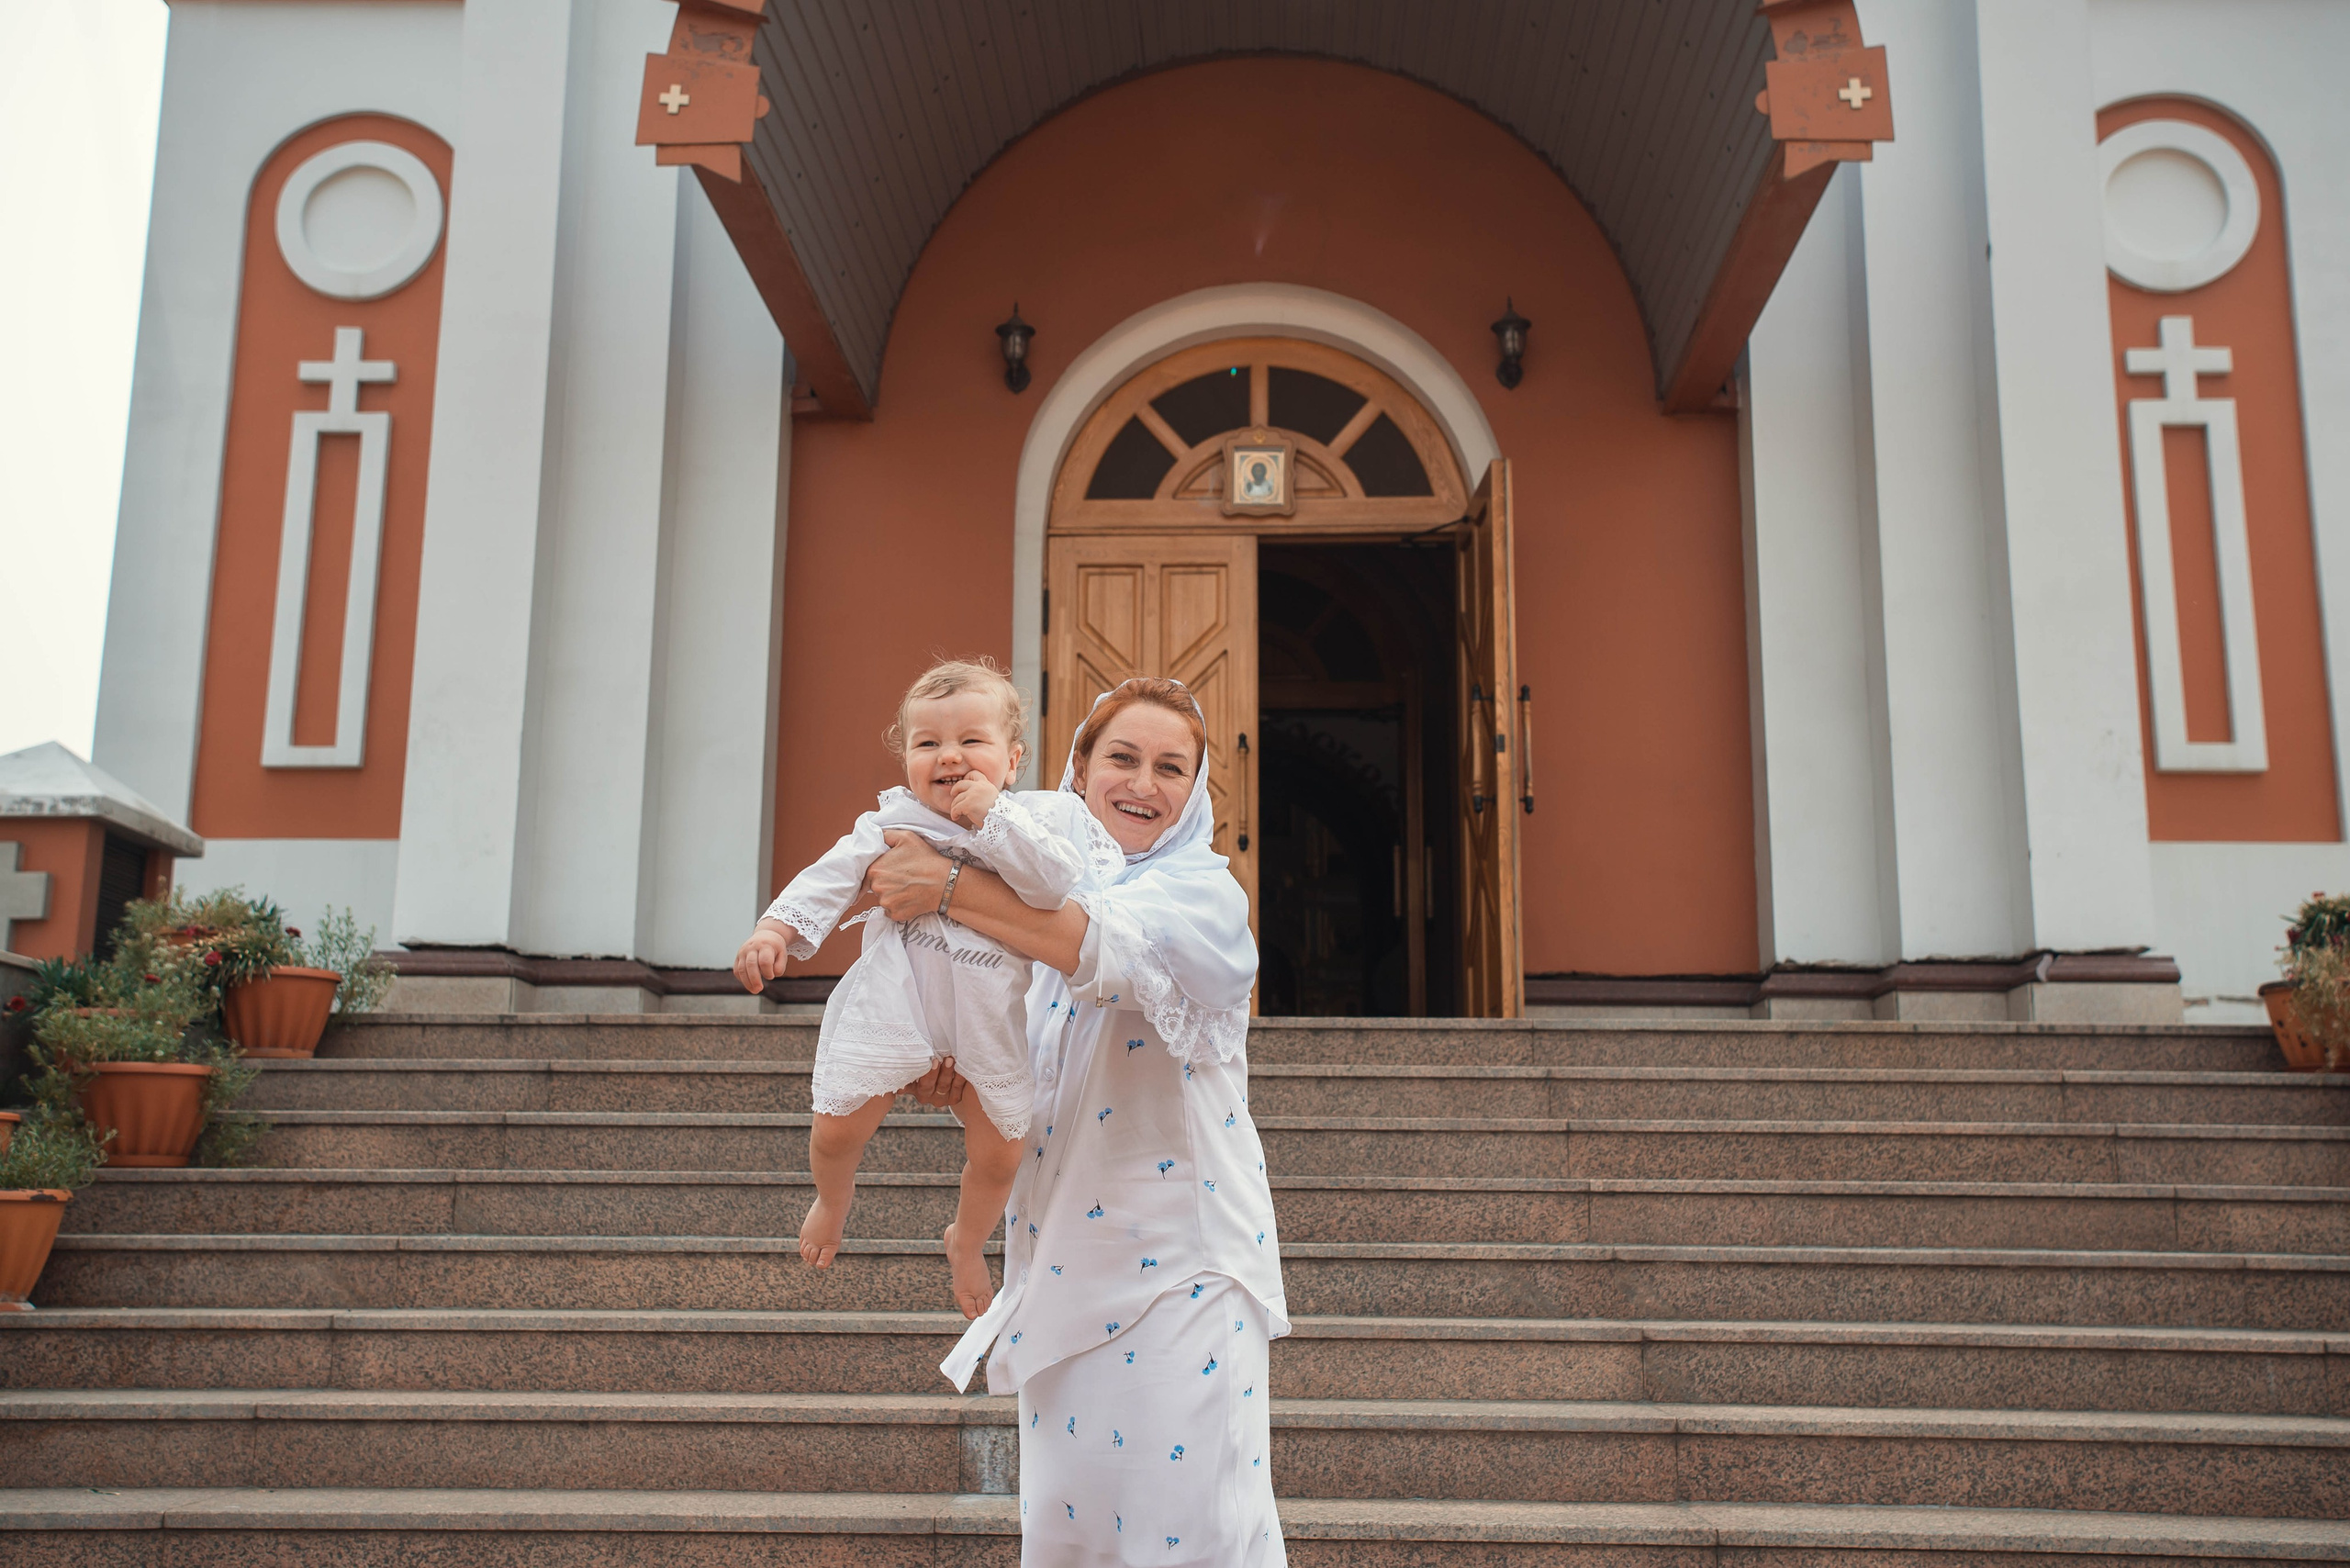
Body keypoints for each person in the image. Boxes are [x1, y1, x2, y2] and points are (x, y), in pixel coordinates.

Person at [865, 677, 1287, 1567]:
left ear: (1196, 789)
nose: (1144, 782)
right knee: (1076, 1539)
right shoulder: (1034, 885)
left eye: (1172, 766)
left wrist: (946, 886)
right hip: (1059, 1264)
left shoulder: (1204, 898)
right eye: (1121, 759)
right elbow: (1027, 1073)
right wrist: (957, 1077)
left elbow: (1097, 946)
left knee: (1188, 1535)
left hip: (1183, 1266)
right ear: (1078, 770)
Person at [733, 659, 1119, 1317]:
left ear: (1013, 759)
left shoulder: (1031, 824)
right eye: (927, 743)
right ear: (906, 758)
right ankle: (832, 1199)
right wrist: (775, 930)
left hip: (988, 1025)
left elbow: (1054, 886)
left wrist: (995, 818)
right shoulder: (892, 819)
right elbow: (829, 877)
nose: (950, 757)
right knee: (834, 1132)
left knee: (1001, 1153)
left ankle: (967, 1243)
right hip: (894, 1012)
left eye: (972, 741)